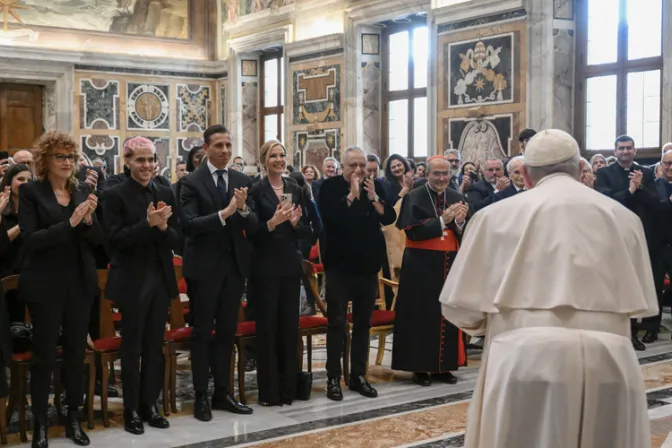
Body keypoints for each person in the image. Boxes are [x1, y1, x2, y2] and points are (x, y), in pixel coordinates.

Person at [439, 129, 657, 448]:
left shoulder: (492, 216)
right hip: (611, 360)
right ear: (582, 170)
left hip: (521, 357)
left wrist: (496, 325)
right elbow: (642, 302)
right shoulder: (622, 217)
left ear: (525, 175)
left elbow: (461, 307)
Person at [19, 131, 102, 447]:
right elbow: (31, 240)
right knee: (43, 356)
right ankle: (40, 421)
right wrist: (70, 223)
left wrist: (90, 221)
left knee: (74, 354)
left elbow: (99, 241)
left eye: (71, 157)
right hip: (45, 283)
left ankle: (72, 418)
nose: (68, 163)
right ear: (45, 160)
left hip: (79, 283)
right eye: (60, 157)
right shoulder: (31, 193)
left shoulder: (82, 190)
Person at [103, 137, 180, 434]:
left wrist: (163, 227)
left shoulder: (164, 190)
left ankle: (150, 405)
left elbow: (179, 238)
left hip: (160, 278)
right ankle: (131, 410)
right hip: (132, 279)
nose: (147, 166)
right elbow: (114, 240)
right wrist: (146, 225)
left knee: (154, 346)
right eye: (140, 160)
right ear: (127, 161)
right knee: (132, 347)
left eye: (150, 160)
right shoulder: (115, 195)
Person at [180, 124, 257, 420]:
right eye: (219, 146)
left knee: (227, 332)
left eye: (228, 145)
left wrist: (244, 211)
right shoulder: (191, 182)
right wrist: (224, 214)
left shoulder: (241, 179)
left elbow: (253, 225)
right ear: (206, 148)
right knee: (202, 333)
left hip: (234, 268)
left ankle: (222, 392)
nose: (225, 151)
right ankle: (201, 395)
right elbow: (188, 225)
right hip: (204, 269)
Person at [318, 146, 396, 401]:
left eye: (362, 165)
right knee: (337, 324)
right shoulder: (329, 187)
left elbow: (389, 218)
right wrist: (351, 195)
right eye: (353, 165)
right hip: (339, 267)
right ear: (343, 166)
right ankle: (332, 377)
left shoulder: (374, 187)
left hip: (367, 267)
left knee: (363, 324)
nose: (359, 170)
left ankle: (358, 375)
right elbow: (330, 220)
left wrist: (374, 198)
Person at [392, 156, 469, 386]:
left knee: (446, 314)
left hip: (449, 263)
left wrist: (461, 222)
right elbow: (412, 232)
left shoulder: (456, 196)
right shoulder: (414, 196)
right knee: (420, 315)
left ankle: (444, 367)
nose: (442, 178)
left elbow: (464, 231)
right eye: (437, 174)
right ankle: (420, 368)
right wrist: (443, 221)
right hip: (420, 264)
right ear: (427, 174)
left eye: (445, 173)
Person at [247, 140, 309, 406]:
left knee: (288, 328)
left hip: (289, 264)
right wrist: (272, 223)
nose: (279, 159)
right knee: (268, 329)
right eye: (273, 155)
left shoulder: (295, 187)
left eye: (282, 155)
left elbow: (307, 231)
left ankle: (288, 389)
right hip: (264, 267)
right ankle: (270, 392)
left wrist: (296, 224)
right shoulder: (254, 190)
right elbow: (251, 232)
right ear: (264, 160)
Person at [595, 135, 661, 347]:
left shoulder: (647, 173)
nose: (625, 151)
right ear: (615, 151)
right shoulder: (604, 173)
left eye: (629, 148)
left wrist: (640, 187)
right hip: (613, 235)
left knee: (635, 284)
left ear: (634, 151)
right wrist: (630, 190)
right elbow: (605, 200)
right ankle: (618, 331)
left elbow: (654, 203)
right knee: (616, 284)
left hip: (638, 235)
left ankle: (633, 332)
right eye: (621, 148)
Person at [0, 164, 31, 322]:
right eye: (20, 179)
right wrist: (21, 225)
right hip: (7, 272)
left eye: (29, 180)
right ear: (9, 183)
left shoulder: (36, 207)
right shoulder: (3, 209)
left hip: (32, 271)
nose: (26, 183)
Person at [288, 171, 322, 316]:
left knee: (303, 272)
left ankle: (311, 303)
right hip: (291, 238)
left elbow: (318, 223)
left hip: (303, 239)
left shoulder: (307, 199)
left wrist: (312, 239)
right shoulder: (289, 198)